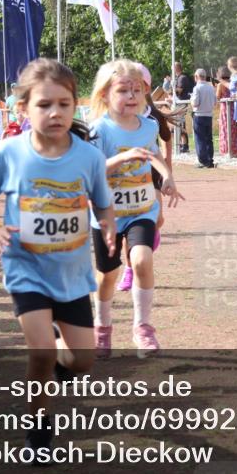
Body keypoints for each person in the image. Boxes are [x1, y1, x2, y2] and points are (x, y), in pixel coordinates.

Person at [0, 58, 115, 459]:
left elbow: (103, 204)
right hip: (25, 269)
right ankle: (38, 429)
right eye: (45, 104)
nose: (55, 113)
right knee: (41, 352)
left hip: (71, 274)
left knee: (82, 361)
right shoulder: (8, 153)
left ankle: (58, 371)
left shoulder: (88, 157)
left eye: (64, 104)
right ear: (24, 108)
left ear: (75, 107)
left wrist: (107, 225)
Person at [88, 60, 183, 358]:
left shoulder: (149, 125)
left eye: (137, 90)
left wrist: (166, 174)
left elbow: (151, 152)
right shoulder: (98, 131)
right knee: (107, 277)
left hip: (142, 208)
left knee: (142, 260)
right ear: (104, 94)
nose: (131, 96)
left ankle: (143, 328)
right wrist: (121, 158)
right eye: (123, 90)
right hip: (108, 215)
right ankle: (102, 327)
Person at [191, 68, 218, 168]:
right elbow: (215, 102)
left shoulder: (197, 88)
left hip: (199, 115)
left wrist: (191, 100)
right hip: (209, 115)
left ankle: (203, 161)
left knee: (200, 139)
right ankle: (210, 159)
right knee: (208, 139)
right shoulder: (211, 87)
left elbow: (195, 103)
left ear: (197, 77)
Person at [215, 66, 237, 158]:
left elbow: (218, 97)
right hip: (233, 109)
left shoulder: (220, 85)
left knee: (225, 130)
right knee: (235, 129)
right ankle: (236, 150)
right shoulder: (232, 83)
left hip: (225, 110)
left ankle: (227, 150)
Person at [171, 62, 194, 153]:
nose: (172, 70)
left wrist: (172, 88)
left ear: (176, 68)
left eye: (173, 68)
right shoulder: (178, 78)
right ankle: (181, 144)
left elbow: (178, 91)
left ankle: (184, 145)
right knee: (176, 125)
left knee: (180, 125)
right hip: (178, 103)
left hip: (181, 104)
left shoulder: (182, 78)